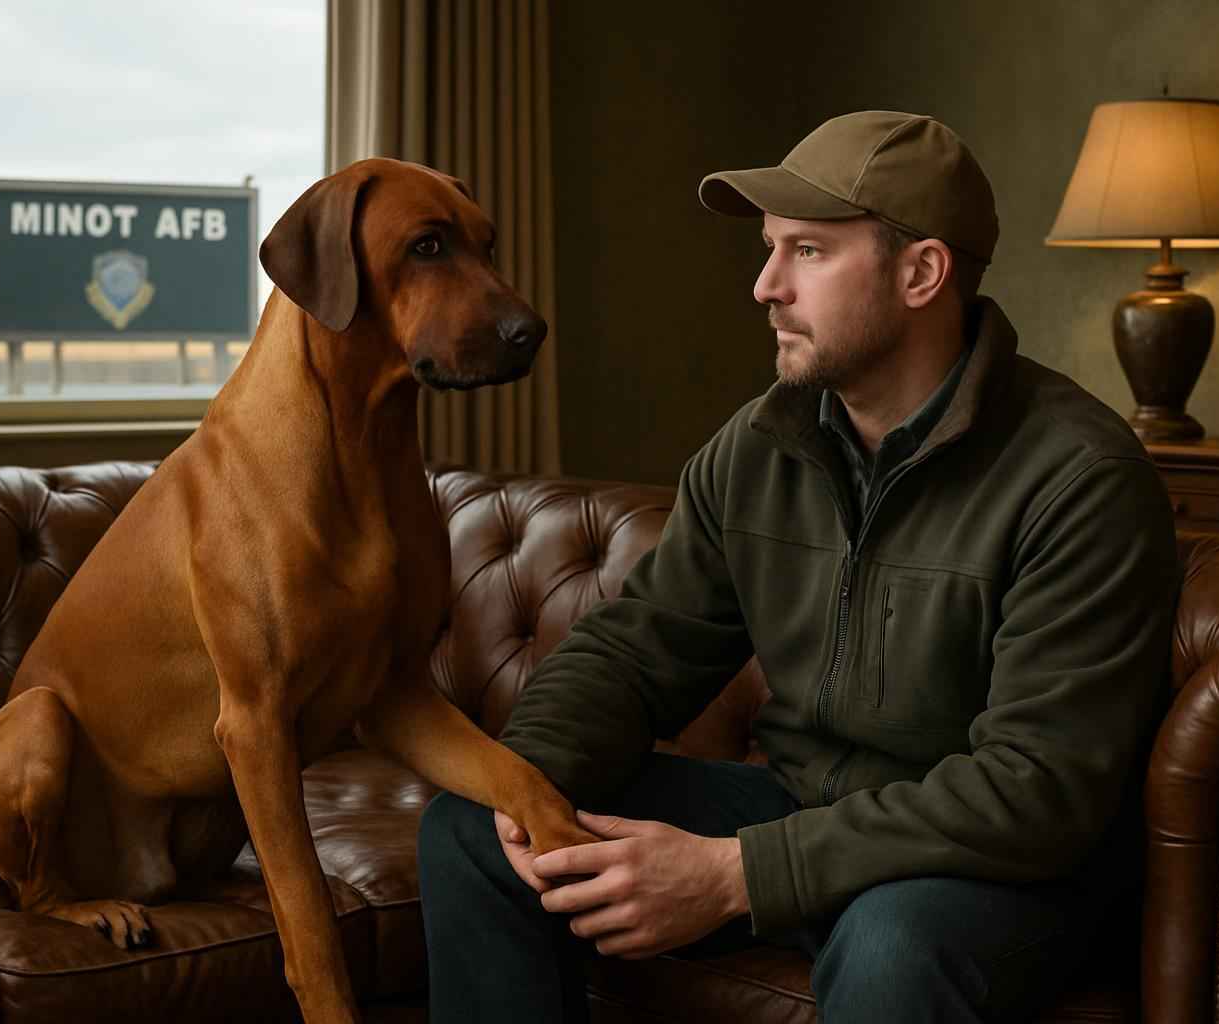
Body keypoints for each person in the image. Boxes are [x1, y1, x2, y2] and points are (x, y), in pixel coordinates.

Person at [417, 110, 1179, 1023]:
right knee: (470, 829)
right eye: (771, 250)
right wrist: (527, 783)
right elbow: (636, 651)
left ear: (922, 273)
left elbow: (1035, 790)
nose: (765, 286)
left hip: (987, 870)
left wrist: (738, 875)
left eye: (807, 253)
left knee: (895, 944)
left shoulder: (1079, 475)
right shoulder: (760, 442)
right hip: (796, 809)